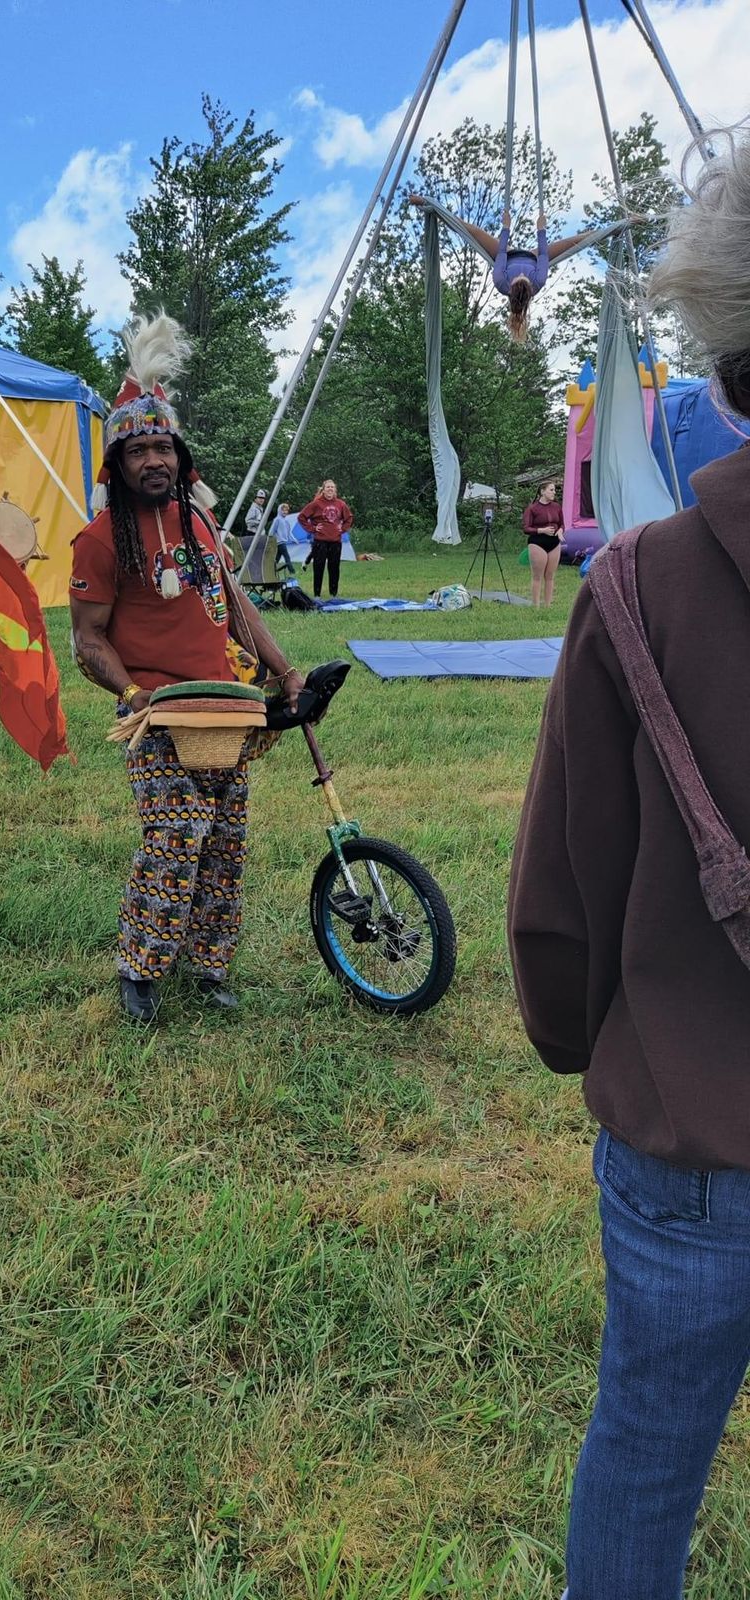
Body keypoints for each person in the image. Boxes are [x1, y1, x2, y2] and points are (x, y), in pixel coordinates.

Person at [508, 125, 750, 1600]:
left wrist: (585, 1035)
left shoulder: (639, 587)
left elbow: (561, 895)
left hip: (686, 1130)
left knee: (648, 1454)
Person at [70, 314, 302, 1024]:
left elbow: (236, 609)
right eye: (138, 450)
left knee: (225, 844)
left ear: (180, 455)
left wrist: (284, 672)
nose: (153, 460)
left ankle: (208, 966)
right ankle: (140, 970)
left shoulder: (200, 527)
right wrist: (133, 694)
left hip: (224, 707)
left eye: (162, 446)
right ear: (117, 465)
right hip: (157, 717)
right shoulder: (98, 540)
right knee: (176, 837)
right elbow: (87, 641)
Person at [409, 195, 638, 341]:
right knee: (574, 242)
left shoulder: (501, 282)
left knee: (474, 232)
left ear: (511, 286)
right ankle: (620, 226)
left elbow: (500, 253)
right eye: (523, 278)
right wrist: (541, 229)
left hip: (507, 255)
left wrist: (506, 227)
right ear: (530, 286)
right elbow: (544, 255)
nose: (521, 275)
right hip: (534, 256)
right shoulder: (538, 281)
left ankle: (431, 206)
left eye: (519, 278)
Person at [297, 480, 354, 598]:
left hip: (335, 541)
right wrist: (312, 528)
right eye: (328, 487)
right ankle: (317, 595)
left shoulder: (341, 504)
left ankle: (334, 595)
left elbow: (349, 518)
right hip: (320, 541)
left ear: (335, 490)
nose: (330, 489)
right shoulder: (316, 504)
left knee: (334, 568)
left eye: (332, 487)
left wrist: (342, 529)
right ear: (323, 490)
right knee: (319, 568)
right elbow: (301, 517)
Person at [522, 478, 564, 607]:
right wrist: (542, 530)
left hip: (554, 542)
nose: (554, 492)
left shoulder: (557, 507)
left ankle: (547, 605)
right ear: (542, 491)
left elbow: (562, 524)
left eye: (554, 490)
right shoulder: (532, 508)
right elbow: (526, 528)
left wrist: (561, 531)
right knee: (537, 576)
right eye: (551, 490)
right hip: (537, 543)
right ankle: (536, 605)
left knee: (550, 575)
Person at [271, 501, 297, 577]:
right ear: (280, 510)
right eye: (283, 510)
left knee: (277, 558)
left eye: (286, 510)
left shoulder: (286, 521)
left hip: (283, 542)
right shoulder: (277, 520)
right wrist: (270, 540)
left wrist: (294, 540)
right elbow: (271, 531)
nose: (285, 512)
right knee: (287, 557)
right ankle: (292, 571)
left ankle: (271, 569)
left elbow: (289, 533)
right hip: (279, 542)